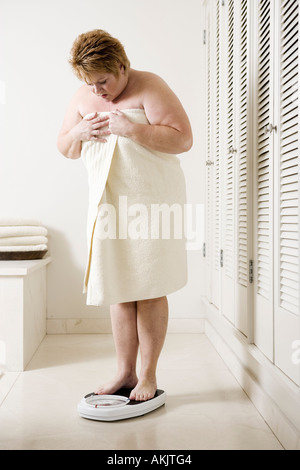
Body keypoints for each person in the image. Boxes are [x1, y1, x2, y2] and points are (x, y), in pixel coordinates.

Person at [57, 29, 193, 401]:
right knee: (118, 289)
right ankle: (124, 372)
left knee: (149, 287)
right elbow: (65, 148)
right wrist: (80, 131)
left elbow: (182, 139)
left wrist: (131, 129)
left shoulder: (151, 86)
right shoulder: (84, 96)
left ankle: (147, 376)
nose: (97, 92)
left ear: (121, 65)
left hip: (152, 203)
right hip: (107, 205)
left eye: (103, 81)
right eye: (89, 84)